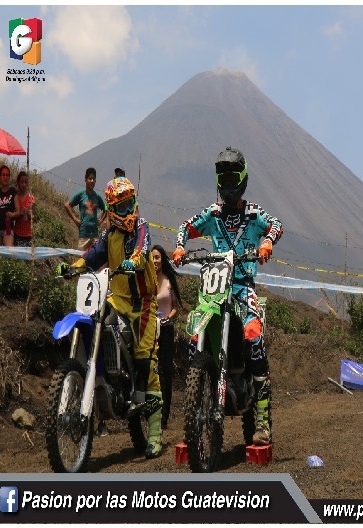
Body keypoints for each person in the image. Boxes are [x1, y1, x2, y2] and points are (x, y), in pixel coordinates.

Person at [172, 146, 283, 446]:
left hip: (242, 287)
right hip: (213, 289)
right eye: (223, 176)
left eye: (233, 175)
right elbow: (184, 227)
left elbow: (276, 225)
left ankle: (262, 420)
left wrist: (267, 243)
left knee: (254, 335)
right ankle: (197, 399)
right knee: (196, 332)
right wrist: (181, 247)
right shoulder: (213, 213)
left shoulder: (253, 213)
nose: (228, 181)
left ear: (243, 178)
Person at [55, 175, 163, 458]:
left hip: (143, 306)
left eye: (130, 204)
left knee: (145, 362)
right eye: (122, 207)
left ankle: (154, 434)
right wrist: (72, 267)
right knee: (100, 331)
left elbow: (142, 250)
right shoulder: (108, 236)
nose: (128, 211)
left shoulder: (141, 227)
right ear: (113, 210)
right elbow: (91, 256)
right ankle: (106, 381)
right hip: (115, 299)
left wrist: (133, 261)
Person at [151, 244, 182, 430]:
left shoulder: (169, 281)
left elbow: (176, 306)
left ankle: (164, 416)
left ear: (163, 260)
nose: (155, 261)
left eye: (157, 258)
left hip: (166, 330)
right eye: (152, 258)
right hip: (149, 330)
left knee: (165, 372)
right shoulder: (146, 279)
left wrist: (167, 318)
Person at [64, 167, 107, 251]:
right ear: (85, 180)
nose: (92, 181)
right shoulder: (81, 194)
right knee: (82, 260)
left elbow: (106, 209)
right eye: (90, 178)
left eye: (93, 179)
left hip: (95, 235)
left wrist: (100, 221)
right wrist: (75, 219)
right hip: (83, 235)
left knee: (95, 261)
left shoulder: (97, 196)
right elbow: (67, 205)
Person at [0, 164, 20, 246]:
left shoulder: (13, 191)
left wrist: (12, 214)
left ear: (9, 177)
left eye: (7, 175)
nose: (5, 177)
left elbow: (18, 211)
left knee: (8, 252)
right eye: (3, 175)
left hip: (8, 229)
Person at [13, 171, 36, 247]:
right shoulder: (15, 197)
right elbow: (13, 216)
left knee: (28, 258)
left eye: (26, 182)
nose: (24, 184)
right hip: (17, 234)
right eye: (21, 182)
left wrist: (29, 213)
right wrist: (20, 213)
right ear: (18, 182)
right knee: (17, 258)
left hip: (28, 235)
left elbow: (34, 217)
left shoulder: (31, 198)